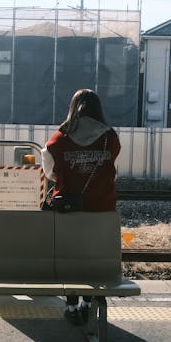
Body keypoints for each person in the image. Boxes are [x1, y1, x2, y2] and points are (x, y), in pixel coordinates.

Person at [42, 89, 121, 326]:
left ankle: (71, 306)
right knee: (93, 256)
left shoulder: (60, 138)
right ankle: (88, 304)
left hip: (69, 206)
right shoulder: (110, 137)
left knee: (71, 255)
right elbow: (113, 168)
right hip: (102, 207)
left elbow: (50, 172)